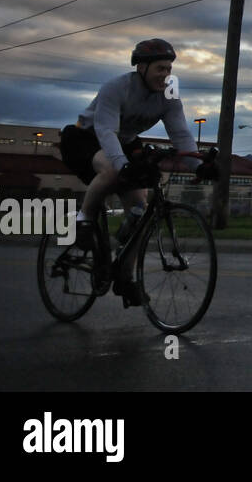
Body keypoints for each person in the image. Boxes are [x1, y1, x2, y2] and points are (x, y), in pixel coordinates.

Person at [58, 39, 201, 306]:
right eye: (160, 68)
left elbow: (180, 132)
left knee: (141, 211)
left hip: (124, 140)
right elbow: (106, 132)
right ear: (142, 67)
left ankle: (125, 277)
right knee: (113, 171)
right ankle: (83, 220)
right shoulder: (117, 87)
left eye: (169, 68)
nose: (166, 74)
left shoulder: (169, 93)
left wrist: (198, 164)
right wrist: (122, 165)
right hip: (85, 137)